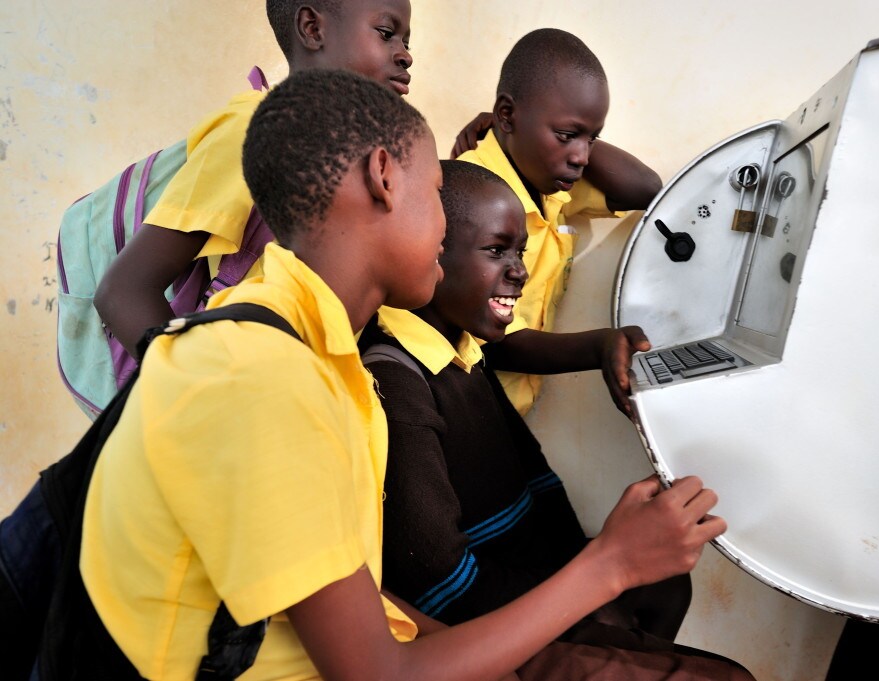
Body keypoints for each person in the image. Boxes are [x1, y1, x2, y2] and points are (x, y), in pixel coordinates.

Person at [79, 68, 736, 681]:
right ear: (384, 177)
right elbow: (376, 672)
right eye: (435, 196)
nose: (446, 223)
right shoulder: (263, 374)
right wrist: (612, 564)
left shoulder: (322, 353)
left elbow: (366, 606)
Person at [361, 159, 754, 680]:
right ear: (433, 252)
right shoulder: (397, 381)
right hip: (480, 626)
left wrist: (589, 579)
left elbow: (537, 482)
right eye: (497, 250)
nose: (520, 270)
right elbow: (441, 586)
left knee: (668, 586)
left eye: (520, 252)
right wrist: (585, 600)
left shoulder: (465, 351)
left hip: (533, 585)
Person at [94, 0, 416, 356]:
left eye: (407, 42)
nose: (405, 55)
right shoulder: (252, 133)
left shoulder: (359, 157)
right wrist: (196, 392)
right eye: (387, 34)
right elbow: (124, 288)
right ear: (312, 28)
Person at [456, 27, 663, 418]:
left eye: (592, 139)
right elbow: (492, 339)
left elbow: (645, 188)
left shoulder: (547, 184)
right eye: (567, 135)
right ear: (506, 114)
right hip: (466, 414)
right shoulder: (472, 195)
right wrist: (598, 346)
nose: (582, 157)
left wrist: (576, 134)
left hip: (508, 415)